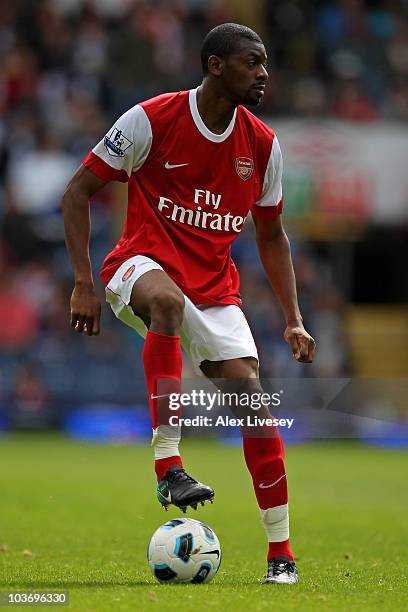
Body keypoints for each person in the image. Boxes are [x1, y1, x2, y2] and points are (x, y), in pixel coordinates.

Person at [62, 23, 315, 585]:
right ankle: (168, 467)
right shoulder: (151, 119)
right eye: (252, 63)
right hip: (139, 267)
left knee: (253, 401)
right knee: (169, 304)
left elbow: (271, 236)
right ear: (215, 65)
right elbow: (78, 190)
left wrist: (293, 319)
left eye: (266, 63)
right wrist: (81, 281)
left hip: (216, 289)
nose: (264, 73)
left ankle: (281, 554)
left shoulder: (264, 146)